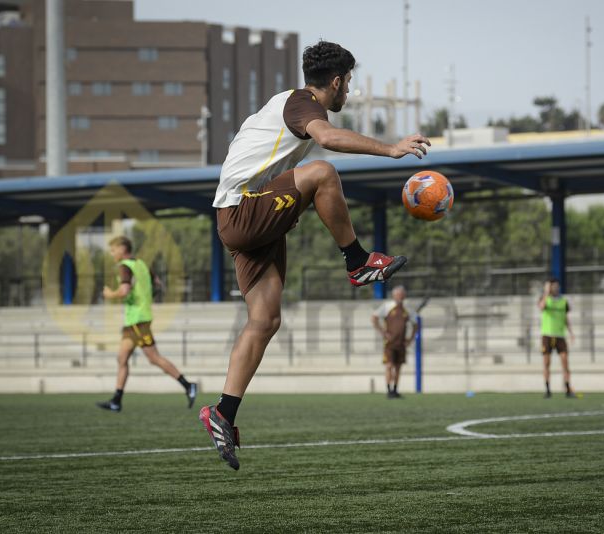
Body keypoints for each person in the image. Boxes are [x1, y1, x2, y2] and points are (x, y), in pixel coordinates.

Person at [199, 40, 430, 470]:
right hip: (243, 211)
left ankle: (222, 414)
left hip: (244, 215)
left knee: (265, 320)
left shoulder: (286, 105)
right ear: (338, 82)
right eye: (349, 85)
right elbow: (328, 140)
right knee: (323, 172)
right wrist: (391, 149)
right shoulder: (303, 105)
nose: (348, 93)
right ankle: (357, 261)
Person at [97, 236, 198, 412]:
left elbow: (124, 290)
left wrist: (109, 294)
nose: (112, 253)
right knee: (122, 358)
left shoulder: (124, 267)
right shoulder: (141, 264)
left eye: (113, 250)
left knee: (153, 358)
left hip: (138, 321)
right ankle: (116, 400)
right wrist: (147, 297)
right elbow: (157, 283)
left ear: (122, 249)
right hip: (135, 321)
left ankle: (188, 385)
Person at [371, 286, 418, 399]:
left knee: (398, 367)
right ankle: (388, 390)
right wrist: (383, 332)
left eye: (402, 295)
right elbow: (374, 317)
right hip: (389, 343)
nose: (400, 297)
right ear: (394, 295)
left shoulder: (407, 309)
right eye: (398, 295)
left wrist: (410, 339)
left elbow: (416, 324)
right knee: (389, 366)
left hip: (401, 343)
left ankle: (395, 389)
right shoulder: (387, 307)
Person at [537, 278, 576, 398]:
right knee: (546, 363)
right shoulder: (544, 298)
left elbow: (565, 318)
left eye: (556, 286)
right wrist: (546, 293)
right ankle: (548, 389)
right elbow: (541, 307)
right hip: (547, 335)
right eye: (552, 286)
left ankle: (568, 388)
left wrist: (571, 332)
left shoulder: (563, 301)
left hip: (560, 335)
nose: (555, 288)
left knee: (565, 362)